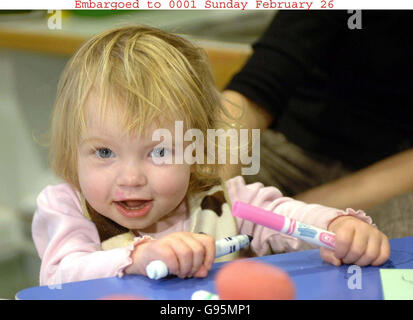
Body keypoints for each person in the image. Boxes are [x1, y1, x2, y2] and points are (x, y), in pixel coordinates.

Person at [32, 25, 389, 287]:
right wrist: (138, 258)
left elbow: (284, 216)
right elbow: (59, 274)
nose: (131, 178)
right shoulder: (68, 207)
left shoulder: (221, 199)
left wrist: (338, 227)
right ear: (72, 150)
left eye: (158, 151)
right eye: (104, 152)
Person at [221, 10, 413, 238]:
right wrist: (212, 197)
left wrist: (291, 216)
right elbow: (256, 84)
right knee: (176, 176)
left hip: (392, 183)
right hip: (283, 149)